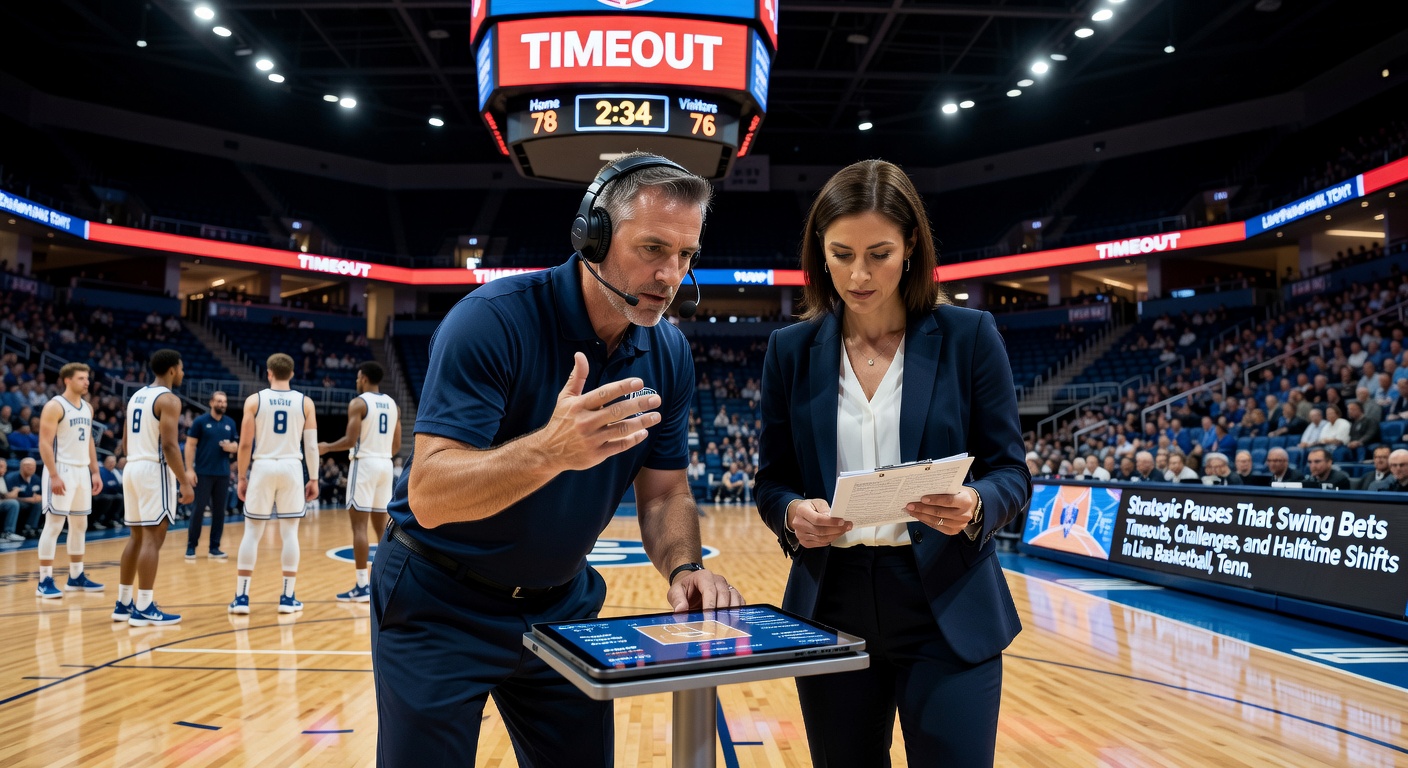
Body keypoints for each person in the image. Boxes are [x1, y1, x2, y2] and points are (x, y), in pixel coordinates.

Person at [370, 153, 743, 766]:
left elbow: (665, 492)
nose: (670, 274)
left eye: (685, 255)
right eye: (652, 248)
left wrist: (683, 567)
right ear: (591, 235)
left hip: (559, 603)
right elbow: (431, 496)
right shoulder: (492, 320)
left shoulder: (669, 349)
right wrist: (550, 452)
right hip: (439, 603)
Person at [754, 160, 1029, 766]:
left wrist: (977, 504)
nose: (859, 273)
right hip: (833, 602)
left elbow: (1012, 472)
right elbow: (771, 480)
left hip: (948, 599)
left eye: (878, 253)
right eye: (841, 253)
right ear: (819, 254)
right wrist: (793, 513)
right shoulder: (790, 351)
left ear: (910, 249)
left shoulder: (970, 336)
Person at [230, 353, 319, 615]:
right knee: (289, 534)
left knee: (252, 533)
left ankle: (242, 597)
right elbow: (311, 445)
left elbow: (245, 443)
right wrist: (313, 477)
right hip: (292, 466)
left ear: (269, 372)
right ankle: (287, 597)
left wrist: (243, 476)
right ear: (291, 374)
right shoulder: (306, 402)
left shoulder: (254, 401)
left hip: (263, 465)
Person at [114, 349, 195, 626]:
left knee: (135, 538)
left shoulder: (136, 396)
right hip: (153, 469)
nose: (183, 373)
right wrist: (184, 481)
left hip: (132, 466)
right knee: (152, 539)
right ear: (172, 369)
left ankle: (123, 603)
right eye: (181, 368)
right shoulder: (169, 399)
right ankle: (145, 606)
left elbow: (125, 441)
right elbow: (170, 445)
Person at [318, 361, 400, 602]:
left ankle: (362, 586)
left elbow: (349, 440)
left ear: (363, 378)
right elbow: (396, 445)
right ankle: (385, 582)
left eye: (357, 377)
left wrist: (327, 448)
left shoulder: (359, 403)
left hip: (364, 464)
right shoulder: (392, 404)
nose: (356, 381)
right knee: (382, 530)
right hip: (385, 464)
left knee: (359, 527)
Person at [34, 363, 105, 597]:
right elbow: (44, 443)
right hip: (61, 469)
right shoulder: (55, 406)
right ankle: (44, 580)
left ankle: (76, 576)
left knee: (80, 525)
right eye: (82, 378)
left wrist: (95, 471)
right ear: (67, 380)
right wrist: (53, 474)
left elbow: (90, 442)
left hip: (82, 470)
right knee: (54, 525)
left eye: (87, 378)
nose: (87, 382)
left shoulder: (87, 408)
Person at [184, 391, 238, 560]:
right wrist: (189, 469)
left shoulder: (230, 423)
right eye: (219, 401)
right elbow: (190, 445)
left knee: (219, 512)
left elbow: (236, 445)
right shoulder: (200, 422)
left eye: (224, 401)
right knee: (198, 510)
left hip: (222, 474)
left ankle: (214, 548)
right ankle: (191, 547)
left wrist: (232, 447)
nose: (222, 404)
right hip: (203, 473)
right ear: (211, 402)